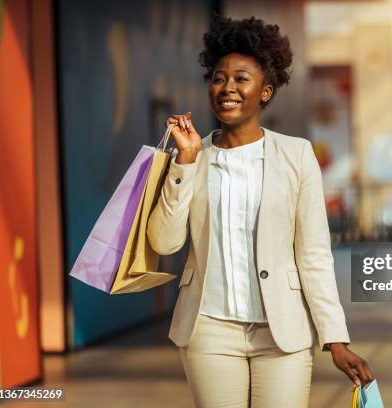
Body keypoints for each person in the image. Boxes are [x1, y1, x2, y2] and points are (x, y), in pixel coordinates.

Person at [147, 15, 373, 408]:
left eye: (241, 79)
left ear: (265, 92)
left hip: (282, 333)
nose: (227, 88)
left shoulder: (297, 154)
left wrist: (335, 338)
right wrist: (183, 164)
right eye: (219, 78)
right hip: (209, 331)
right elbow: (164, 242)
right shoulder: (191, 158)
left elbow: (314, 254)